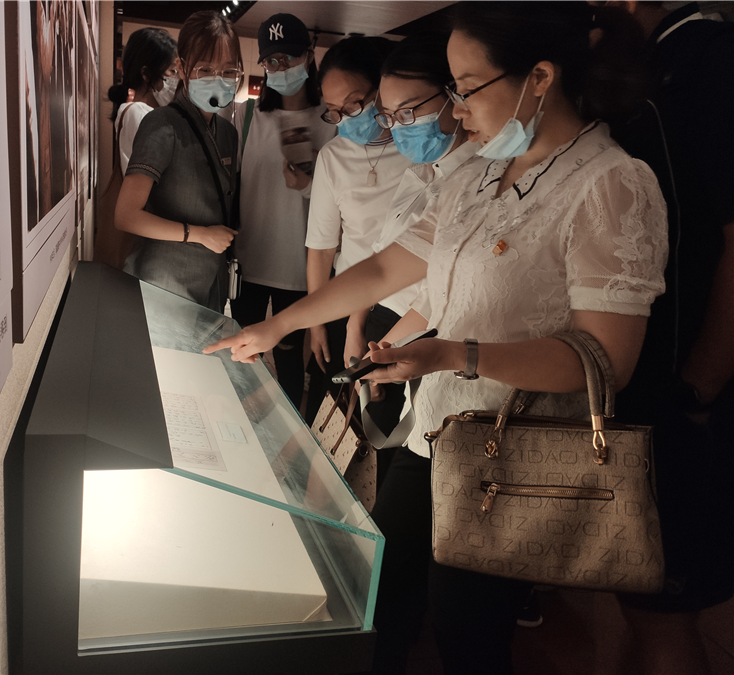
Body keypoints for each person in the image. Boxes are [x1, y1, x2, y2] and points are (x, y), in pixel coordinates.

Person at [206, 4, 668, 673]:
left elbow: (604, 359)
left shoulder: (610, 183)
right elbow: (387, 268)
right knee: (381, 590)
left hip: (509, 457)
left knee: (465, 631)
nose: (458, 107)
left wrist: (455, 353)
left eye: (468, 86)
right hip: (437, 430)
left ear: (540, 78)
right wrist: (278, 324)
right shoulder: (480, 174)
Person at [607, 3, 734, 674]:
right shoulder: (653, 64)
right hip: (653, 382)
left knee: (665, 604)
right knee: (640, 594)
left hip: (683, 386)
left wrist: (700, 385)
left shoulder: (708, 58)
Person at [362, 31, 476, 481]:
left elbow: (436, 290)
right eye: (389, 117)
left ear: (454, 96)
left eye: (409, 112)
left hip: (433, 347)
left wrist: (388, 347)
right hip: (397, 337)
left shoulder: (478, 180)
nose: (399, 127)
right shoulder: (423, 173)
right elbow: (383, 262)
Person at [303, 36, 413, 423]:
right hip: (347, 298)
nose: (346, 118)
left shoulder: (419, 149)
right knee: (338, 421)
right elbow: (320, 248)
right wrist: (316, 322)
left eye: (353, 104)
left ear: (382, 87)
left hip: (405, 305)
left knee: (388, 422)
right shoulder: (333, 156)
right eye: (334, 111)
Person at [232, 13, 335, 408]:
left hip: (300, 265)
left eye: (289, 57)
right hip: (249, 261)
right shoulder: (246, 117)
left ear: (308, 56)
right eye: (271, 60)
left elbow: (337, 202)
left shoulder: (331, 120)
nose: (281, 67)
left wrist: (308, 185)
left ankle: (289, 435)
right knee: (243, 356)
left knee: (291, 362)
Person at [114, 10, 242, 313]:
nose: (218, 79)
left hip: (211, 285)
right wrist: (199, 234)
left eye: (229, 71)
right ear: (182, 68)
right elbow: (126, 215)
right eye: (205, 69)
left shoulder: (228, 133)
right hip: (162, 284)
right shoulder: (162, 124)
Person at [95, 27, 178, 269]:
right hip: (141, 243)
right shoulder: (140, 115)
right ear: (146, 74)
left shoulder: (145, 114)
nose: (176, 80)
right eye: (171, 72)